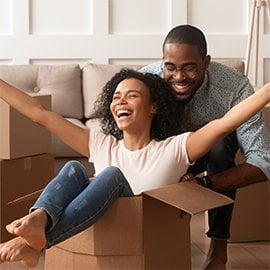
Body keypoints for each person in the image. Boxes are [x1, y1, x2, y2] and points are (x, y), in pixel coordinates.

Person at [0, 68, 269, 269]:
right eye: (116, 97)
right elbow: (40, 115)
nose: (120, 101)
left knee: (110, 176)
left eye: (132, 95)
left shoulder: (173, 149)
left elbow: (225, 123)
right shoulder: (101, 144)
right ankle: (39, 219)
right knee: (73, 168)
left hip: (143, 240)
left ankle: (37, 242)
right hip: (103, 236)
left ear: (153, 108)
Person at [140, 24, 270, 269]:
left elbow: (264, 161)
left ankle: (218, 250)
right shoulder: (147, 82)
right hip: (162, 149)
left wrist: (203, 185)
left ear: (206, 62)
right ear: (163, 62)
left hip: (212, 155)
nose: (178, 77)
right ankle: (156, 243)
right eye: (171, 67)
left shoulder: (234, 87)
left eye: (189, 68)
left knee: (221, 149)